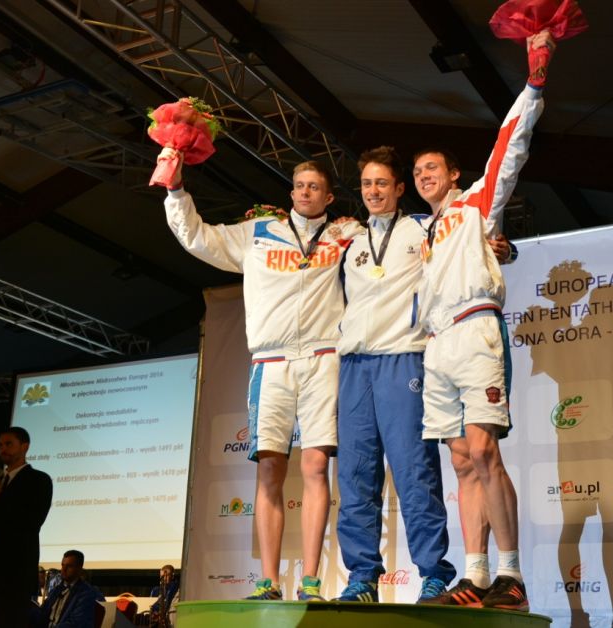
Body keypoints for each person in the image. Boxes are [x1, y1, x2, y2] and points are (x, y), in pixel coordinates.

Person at [163, 156, 362, 601]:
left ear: (329, 197)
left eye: (314, 186)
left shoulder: (345, 235)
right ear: (290, 192)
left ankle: (311, 581)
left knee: (316, 468)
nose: (305, 192)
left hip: (324, 359)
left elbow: (394, 244)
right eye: (299, 185)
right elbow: (197, 236)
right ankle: (268, 581)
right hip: (271, 362)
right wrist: (176, 192)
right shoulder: (257, 233)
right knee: (270, 468)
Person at [414, 30, 555, 613]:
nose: (424, 175)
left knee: (484, 451)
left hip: (475, 330)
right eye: (417, 171)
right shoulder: (423, 234)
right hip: (437, 345)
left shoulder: (475, 203)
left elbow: (509, 146)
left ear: (454, 175)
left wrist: (534, 83)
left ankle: (511, 575)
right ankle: (473, 576)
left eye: (432, 168)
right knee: (461, 461)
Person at [333, 147, 457, 603]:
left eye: (382, 183)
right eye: (367, 183)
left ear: (399, 188)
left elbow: (469, 243)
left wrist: (505, 246)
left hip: (403, 359)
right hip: (354, 367)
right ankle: (362, 577)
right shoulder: (348, 239)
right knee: (355, 477)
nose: (373, 191)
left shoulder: (423, 228)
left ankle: (434, 573)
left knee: (413, 470)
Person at [0, 426, 53, 628]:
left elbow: (32, 521)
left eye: (9, 444)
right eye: (0, 445)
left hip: (15, 575)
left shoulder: (39, 480)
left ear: (25, 447)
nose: (3, 449)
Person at [33, 550, 101, 628]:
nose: (63, 569)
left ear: (79, 569)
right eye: (62, 565)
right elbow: (42, 613)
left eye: (69, 566)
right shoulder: (57, 590)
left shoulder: (86, 593)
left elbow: (75, 623)